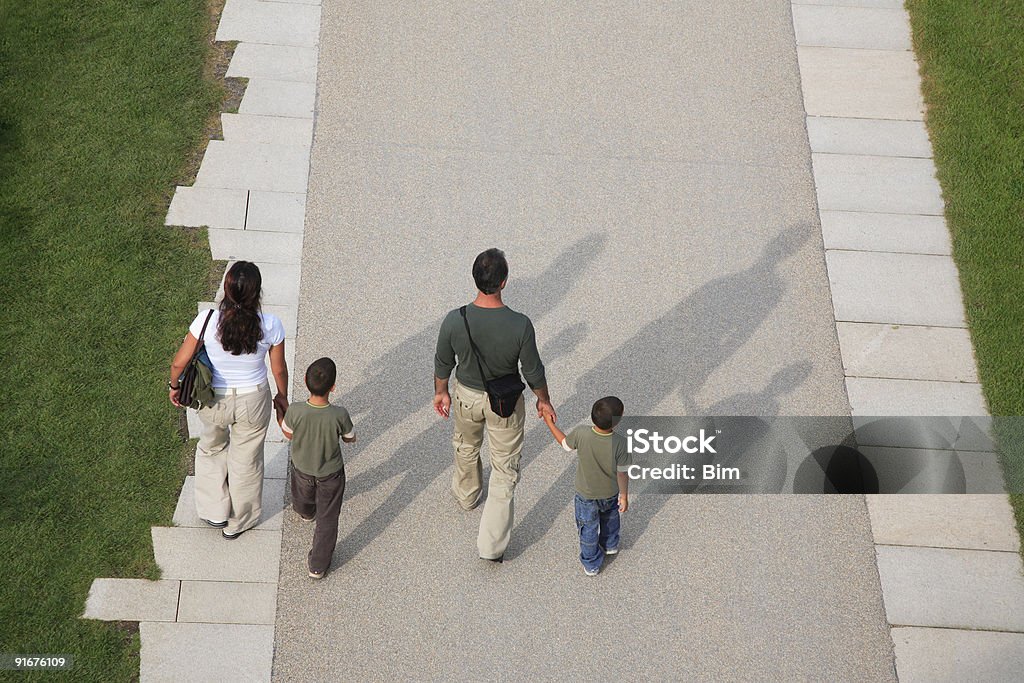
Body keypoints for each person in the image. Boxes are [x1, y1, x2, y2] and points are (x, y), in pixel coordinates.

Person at [433, 248, 554, 562]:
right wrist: (544, 401)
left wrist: (441, 392)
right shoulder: (520, 325)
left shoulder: (455, 320)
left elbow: (443, 361)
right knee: (504, 469)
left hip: (466, 396)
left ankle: (468, 495)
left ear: (475, 279)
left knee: (465, 444)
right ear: (504, 282)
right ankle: (490, 546)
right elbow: (533, 371)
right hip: (505, 403)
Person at [169, 261, 289, 539]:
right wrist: (281, 396)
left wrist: (174, 386)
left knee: (211, 448)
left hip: (213, 400)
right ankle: (240, 521)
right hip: (253, 401)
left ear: (226, 288)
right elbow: (279, 369)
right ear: (258, 293)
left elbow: (179, 362)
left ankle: (214, 512)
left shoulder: (206, 320)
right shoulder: (271, 325)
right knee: (246, 461)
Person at [277, 358, 356, 579]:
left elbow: (288, 433)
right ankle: (318, 566)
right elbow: (350, 438)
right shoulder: (339, 414)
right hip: (330, 473)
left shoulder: (296, 410)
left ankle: (305, 512)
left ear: (305, 381)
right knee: (328, 518)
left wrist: (280, 414)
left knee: (302, 495)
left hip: (302, 468)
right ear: (333, 386)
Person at [543, 397, 630, 576]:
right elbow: (622, 473)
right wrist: (624, 495)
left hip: (586, 494)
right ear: (617, 420)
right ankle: (610, 544)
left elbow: (565, 444)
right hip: (610, 492)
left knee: (588, 527)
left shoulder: (582, 433)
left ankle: (591, 563)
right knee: (610, 518)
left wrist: (548, 422)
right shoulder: (621, 443)